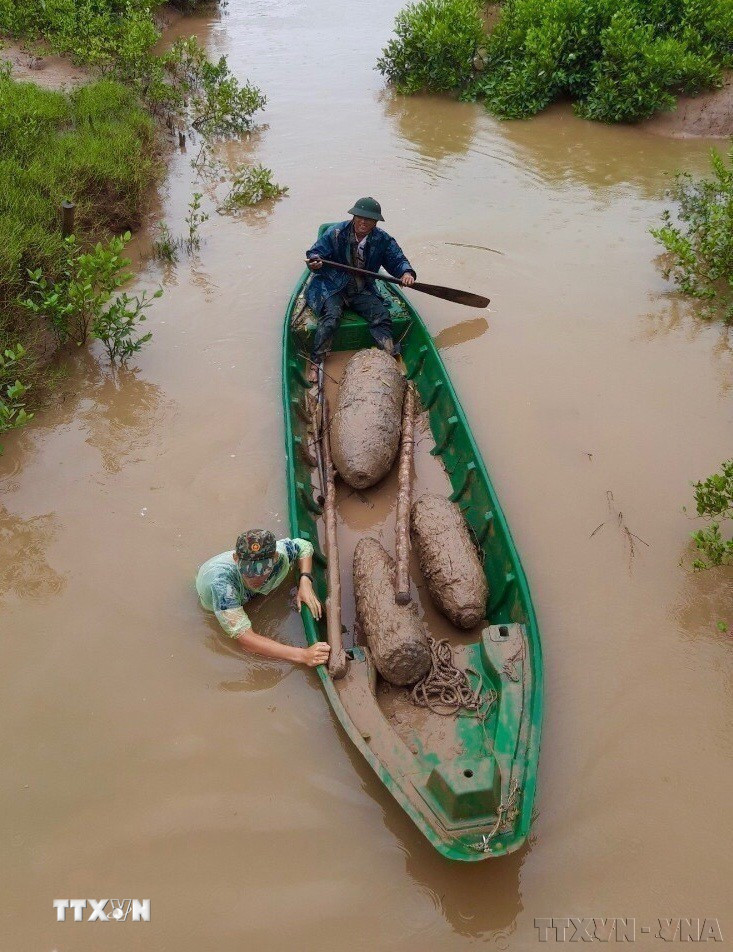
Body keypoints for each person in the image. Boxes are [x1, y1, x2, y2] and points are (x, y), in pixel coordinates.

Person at [304, 197, 416, 380]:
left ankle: (390, 356)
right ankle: (316, 362)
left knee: (381, 315)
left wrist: (406, 273)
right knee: (331, 317)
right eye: (360, 217)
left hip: (361, 287)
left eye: (369, 219)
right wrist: (315, 262)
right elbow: (315, 253)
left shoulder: (383, 239)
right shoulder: (336, 233)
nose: (363, 222)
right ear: (354, 217)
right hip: (332, 286)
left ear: (376, 222)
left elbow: (398, 260)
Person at [196, 529, 330, 667]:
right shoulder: (221, 585)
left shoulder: (281, 554)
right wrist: (303, 655)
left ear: (275, 558)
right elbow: (246, 640)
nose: (255, 578)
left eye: (262, 571)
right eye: (249, 571)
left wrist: (305, 580)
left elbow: (304, 546)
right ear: (236, 559)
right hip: (213, 594)